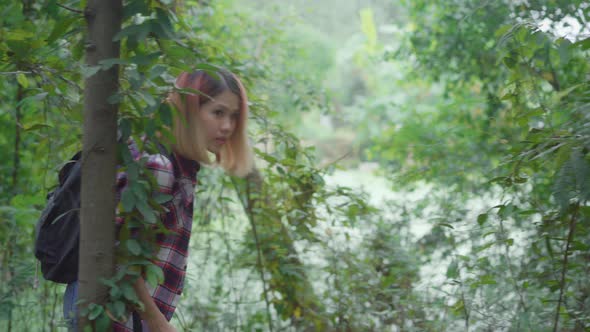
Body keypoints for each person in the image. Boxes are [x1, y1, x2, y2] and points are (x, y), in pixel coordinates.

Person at [63, 68, 254, 331]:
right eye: (218, 112)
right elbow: (120, 256)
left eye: (233, 116)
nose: (228, 126)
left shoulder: (180, 163)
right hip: (115, 315)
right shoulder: (158, 165)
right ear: (188, 109)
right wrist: (156, 321)